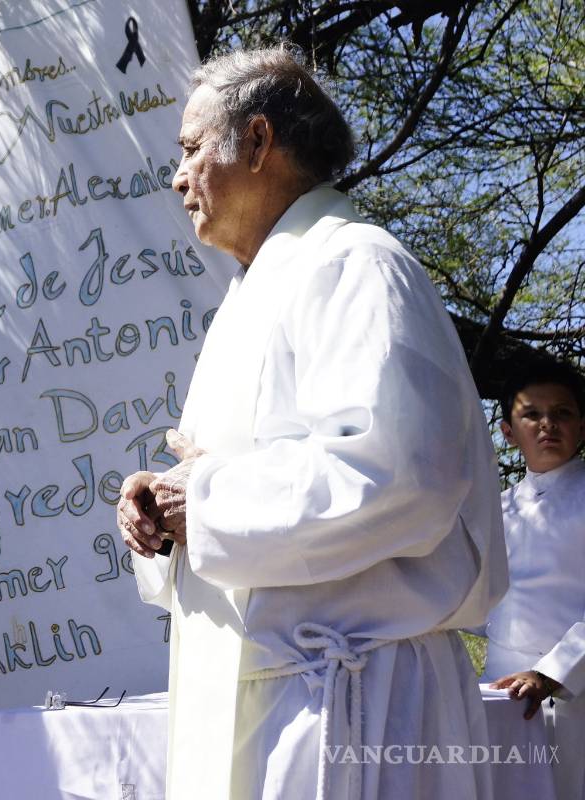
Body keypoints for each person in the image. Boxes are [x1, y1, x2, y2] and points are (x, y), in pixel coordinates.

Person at [117, 47, 507, 799]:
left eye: (192, 150)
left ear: (258, 143)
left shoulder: (356, 264)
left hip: (354, 705)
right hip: (270, 692)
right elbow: (237, 482)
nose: (177, 177)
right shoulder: (254, 295)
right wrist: (164, 513)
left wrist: (200, 502)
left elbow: (399, 473)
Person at [483, 362, 585, 798]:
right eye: (532, 414)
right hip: (500, 694)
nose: (548, 425)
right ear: (508, 431)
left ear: (583, 424)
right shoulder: (494, 510)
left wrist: (551, 672)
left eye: (562, 413)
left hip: (574, 694)